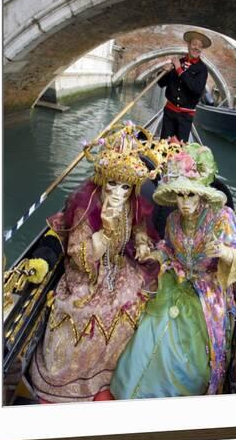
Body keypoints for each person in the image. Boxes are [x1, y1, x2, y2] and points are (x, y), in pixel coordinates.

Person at [27, 124, 163, 403]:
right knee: (86, 313)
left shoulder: (132, 203)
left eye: (125, 186)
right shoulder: (85, 204)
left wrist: (140, 243)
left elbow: (138, 227)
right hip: (86, 276)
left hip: (117, 267)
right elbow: (78, 255)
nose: (118, 192)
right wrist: (105, 233)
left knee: (137, 299)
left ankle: (115, 371)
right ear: (102, 179)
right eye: (112, 184)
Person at [110, 143, 236, 399]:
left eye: (191, 195)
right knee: (149, 327)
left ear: (202, 195)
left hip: (207, 295)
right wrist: (154, 253)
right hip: (174, 281)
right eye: (180, 195)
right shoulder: (173, 219)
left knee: (187, 353)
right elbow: (168, 249)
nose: (184, 203)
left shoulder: (222, 217)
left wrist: (225, 252)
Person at [158, 31, 211, 142]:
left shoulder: (202, 69)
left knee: (179, 154)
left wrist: (179, 70)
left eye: (200, 46)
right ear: (188, 45)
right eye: (194, 44)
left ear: (201, 50)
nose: (196, 48)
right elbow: (161, 83)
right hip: (169, 113)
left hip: (185, 117)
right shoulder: (179, 62)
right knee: (163, 147)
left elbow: (196, 90)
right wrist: (164, 71)